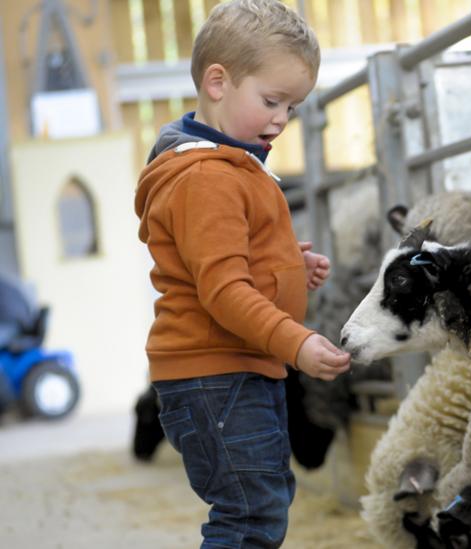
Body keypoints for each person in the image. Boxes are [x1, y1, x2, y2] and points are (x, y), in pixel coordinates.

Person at [134, 1, 350, 546]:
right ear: (217, 82)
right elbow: (223, 289)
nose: (281, 119)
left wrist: (286, 266)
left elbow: (222, 262)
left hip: (236, 369)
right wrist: (295, 342)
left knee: (262, 502)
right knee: (248, 514)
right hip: (216, 376)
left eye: (292, 107)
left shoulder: (230, 166)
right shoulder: (207, 178)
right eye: (271, 101)